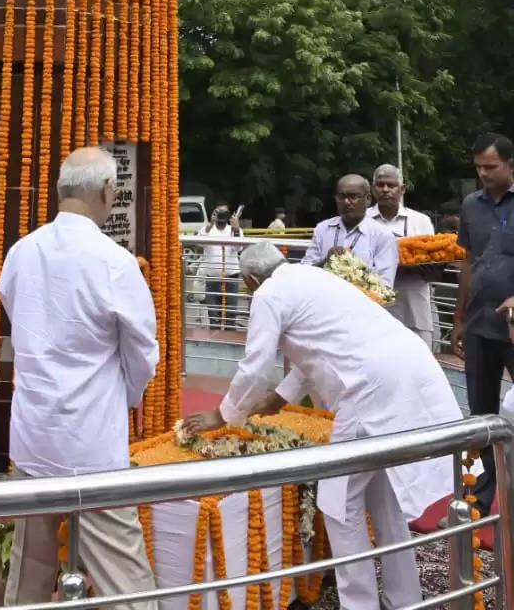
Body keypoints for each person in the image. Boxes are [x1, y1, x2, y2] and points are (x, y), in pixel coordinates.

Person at [184, 243, 461, 610]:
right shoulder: (310, 276)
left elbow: (254, 367)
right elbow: (316, 348)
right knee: (383, 498)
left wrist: (223, 415)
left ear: (251, 279)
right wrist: (281, 398)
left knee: (338, 500)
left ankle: (358, 605)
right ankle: (403, 600)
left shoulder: (268, 293)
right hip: (404, 368)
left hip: (368, 388)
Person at [0, 147, 158, 609]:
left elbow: (16, 315)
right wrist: (122, 395)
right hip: (91, 442)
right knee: (123, 574)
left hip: (34, 434)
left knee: (30, 566)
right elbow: (143, 351)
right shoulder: (113, 260)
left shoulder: (22, 251)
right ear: (108, 191)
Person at [452, 132, 514, 515]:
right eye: (477, 167)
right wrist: (458, 317)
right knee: (481, 414)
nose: (482, 174)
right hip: (478, 324)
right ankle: (481, 497)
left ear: (511, 165)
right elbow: (467, 263)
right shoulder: (471, 205)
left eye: (490, 167)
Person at [367, 164, 435, 348]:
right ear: (373, 189)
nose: (386, 190)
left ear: (402, 189)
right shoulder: (362, 220)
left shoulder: (421, 221)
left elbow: (432, 267)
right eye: (380, 185)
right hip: (373, 311)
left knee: (420, 367)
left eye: (391, 185)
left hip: (414, 310)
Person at [301, 175, 398, 288]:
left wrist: (354, 270)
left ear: (368, 199)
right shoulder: (323, 229)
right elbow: (304, 272)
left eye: (353, 196)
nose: (346, 202)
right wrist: (326, 262)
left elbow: (385, 286)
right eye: (341, 197)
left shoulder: (383, 235)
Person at [200, 205, 242, 330]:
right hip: (212, 278)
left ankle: (230, 344)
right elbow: (200, 243)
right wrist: (209, 224)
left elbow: (238, 248)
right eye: (218, 212)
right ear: (213, 214)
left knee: (230, 316)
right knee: (214, 317)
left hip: (231, 278)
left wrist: (236, 229)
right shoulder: (207, 230)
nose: (221, 216)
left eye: (225, 213)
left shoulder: (233, 229)